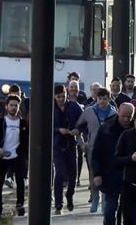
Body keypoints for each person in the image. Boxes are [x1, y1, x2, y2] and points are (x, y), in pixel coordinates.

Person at [73, 88, 117, 213]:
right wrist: (81, 143)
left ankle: (104, 203)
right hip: (92, 148)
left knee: (106, 175)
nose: (102, 101)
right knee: (94, 175)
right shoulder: (89, 111)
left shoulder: (113, 114)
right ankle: (95, 199)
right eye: (100, 98)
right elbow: (78, 128)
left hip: (108, 150)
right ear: (96, 99)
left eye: (105, 99)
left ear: (109, 99)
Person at [92, 102, 134, 225]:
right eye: (123, 116)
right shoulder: (106, 128)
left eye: (129, 117)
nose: (126, 119)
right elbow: (97, 153)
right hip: (110, 175)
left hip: (131, 176)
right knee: (110, 210)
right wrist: (97, 174)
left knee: (130, 212)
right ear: (118, 113)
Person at [0, 94, 29, 219]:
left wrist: (23, 154)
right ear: (6, 106)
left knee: (20, 181)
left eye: (16, 105)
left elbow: (26, 140)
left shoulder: (23, 123)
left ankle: (20, 204)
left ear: (19, 107)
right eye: (11, 105)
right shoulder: (1, 122)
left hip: (17, 156)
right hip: (3, 157)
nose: (13, 107)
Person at [53, 85, 83, 215]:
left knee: (73, 175)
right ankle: (58, 204)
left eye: (63, 96)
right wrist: (58, 129)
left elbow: (83, 121)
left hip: (71, 144)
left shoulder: (74, 106)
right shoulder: (51, 108)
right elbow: (45, 124)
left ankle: (70, 195)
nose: (61, 99)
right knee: (60, 173)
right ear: (54, 96)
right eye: (58, 96)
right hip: (57, 145)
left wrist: (78, 129)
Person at [4, 84, 30, 189]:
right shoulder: (8, 103)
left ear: (20, 93)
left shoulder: (27, 102)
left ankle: (24, 178)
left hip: (25, 131)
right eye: (12, 95)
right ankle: (10, 177)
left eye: (16, 94)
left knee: (23, 157)